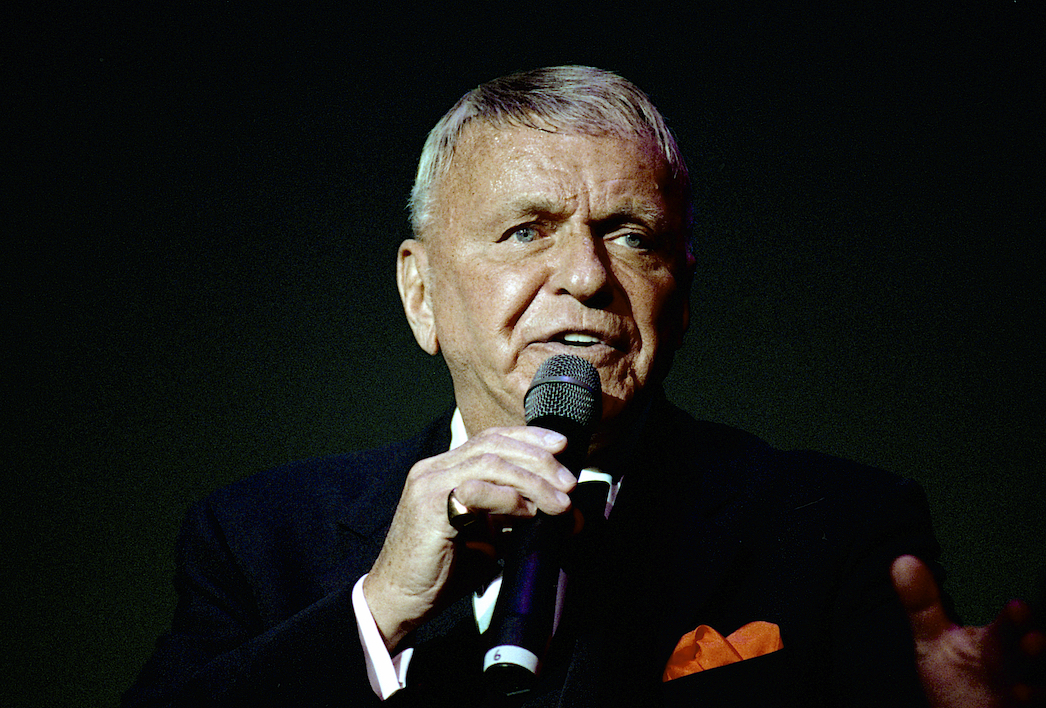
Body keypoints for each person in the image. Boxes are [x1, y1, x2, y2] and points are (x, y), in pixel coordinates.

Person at [124, 66, 1042, 707]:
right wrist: (379, 613)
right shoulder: (255, 541)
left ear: (681, 295)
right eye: (526, 230)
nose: (589, 277)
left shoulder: (836, 526)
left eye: (632, 234)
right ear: (420, 293)